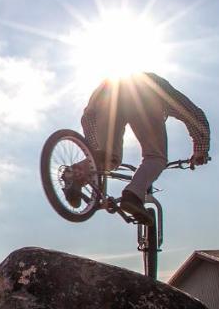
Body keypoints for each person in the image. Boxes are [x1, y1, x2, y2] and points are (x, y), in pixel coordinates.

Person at [63, 72, 210, 222]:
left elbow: (88, 117)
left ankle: (72, 175)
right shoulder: (158, 85)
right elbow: (192, 114)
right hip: (144, 95)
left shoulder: (108, 84)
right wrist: (200, 150)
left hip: (104, 99)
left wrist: (97, 158)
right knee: (156, 157)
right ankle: (133, 195)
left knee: (108, 157)